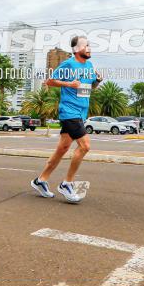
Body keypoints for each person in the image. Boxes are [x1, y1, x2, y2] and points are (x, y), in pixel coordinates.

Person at [30, 36, 101, 203]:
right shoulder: (68, 64)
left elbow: (90, 87)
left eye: (89, 45)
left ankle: (40, 180)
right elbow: (50, 81)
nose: (89, 48)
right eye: (86, 45)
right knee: (85, 146)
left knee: (62, 148)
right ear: (77, 49)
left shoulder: (89, 65)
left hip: (81, 112)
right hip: (69, 111)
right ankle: (67, 183)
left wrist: (97, 81)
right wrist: (69, 84)